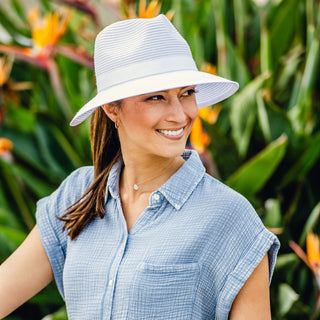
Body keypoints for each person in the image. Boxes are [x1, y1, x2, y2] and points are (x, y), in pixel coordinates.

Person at [0, 14, 279, 319]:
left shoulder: (230, 219)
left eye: (186, 94)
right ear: (111, 108)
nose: (179, 115)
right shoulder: (78, 196)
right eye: (156, 97)